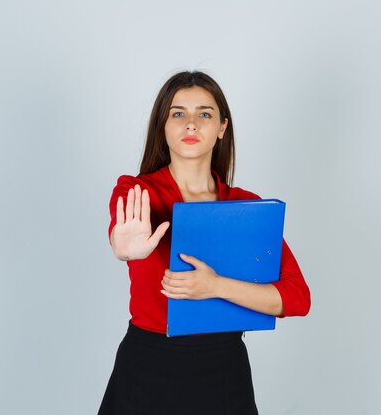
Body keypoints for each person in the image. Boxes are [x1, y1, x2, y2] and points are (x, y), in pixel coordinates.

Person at [98, 71, 311, 415]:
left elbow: (297, 298)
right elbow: (120, 237)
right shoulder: (138, 192)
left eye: (205, 114)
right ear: (162, 126)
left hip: (223, 371)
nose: (191, 124)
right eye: (178, 113)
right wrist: (120, 248)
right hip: (147, 365)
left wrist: (214, 286)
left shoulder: (247, 209)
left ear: (222, 127)